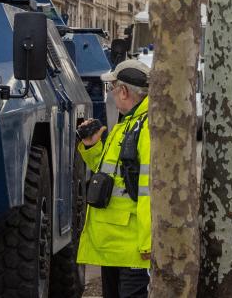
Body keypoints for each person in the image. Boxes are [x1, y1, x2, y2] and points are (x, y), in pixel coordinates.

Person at [76, 59, 152, 298]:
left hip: (134, 249)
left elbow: (149, 189)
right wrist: (92, 147)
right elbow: (111, 177)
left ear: (124, 91)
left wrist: (149, 243)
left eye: (112, 89)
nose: (110, 96)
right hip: (117, 245)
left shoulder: (147, 126)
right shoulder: (128, 123)